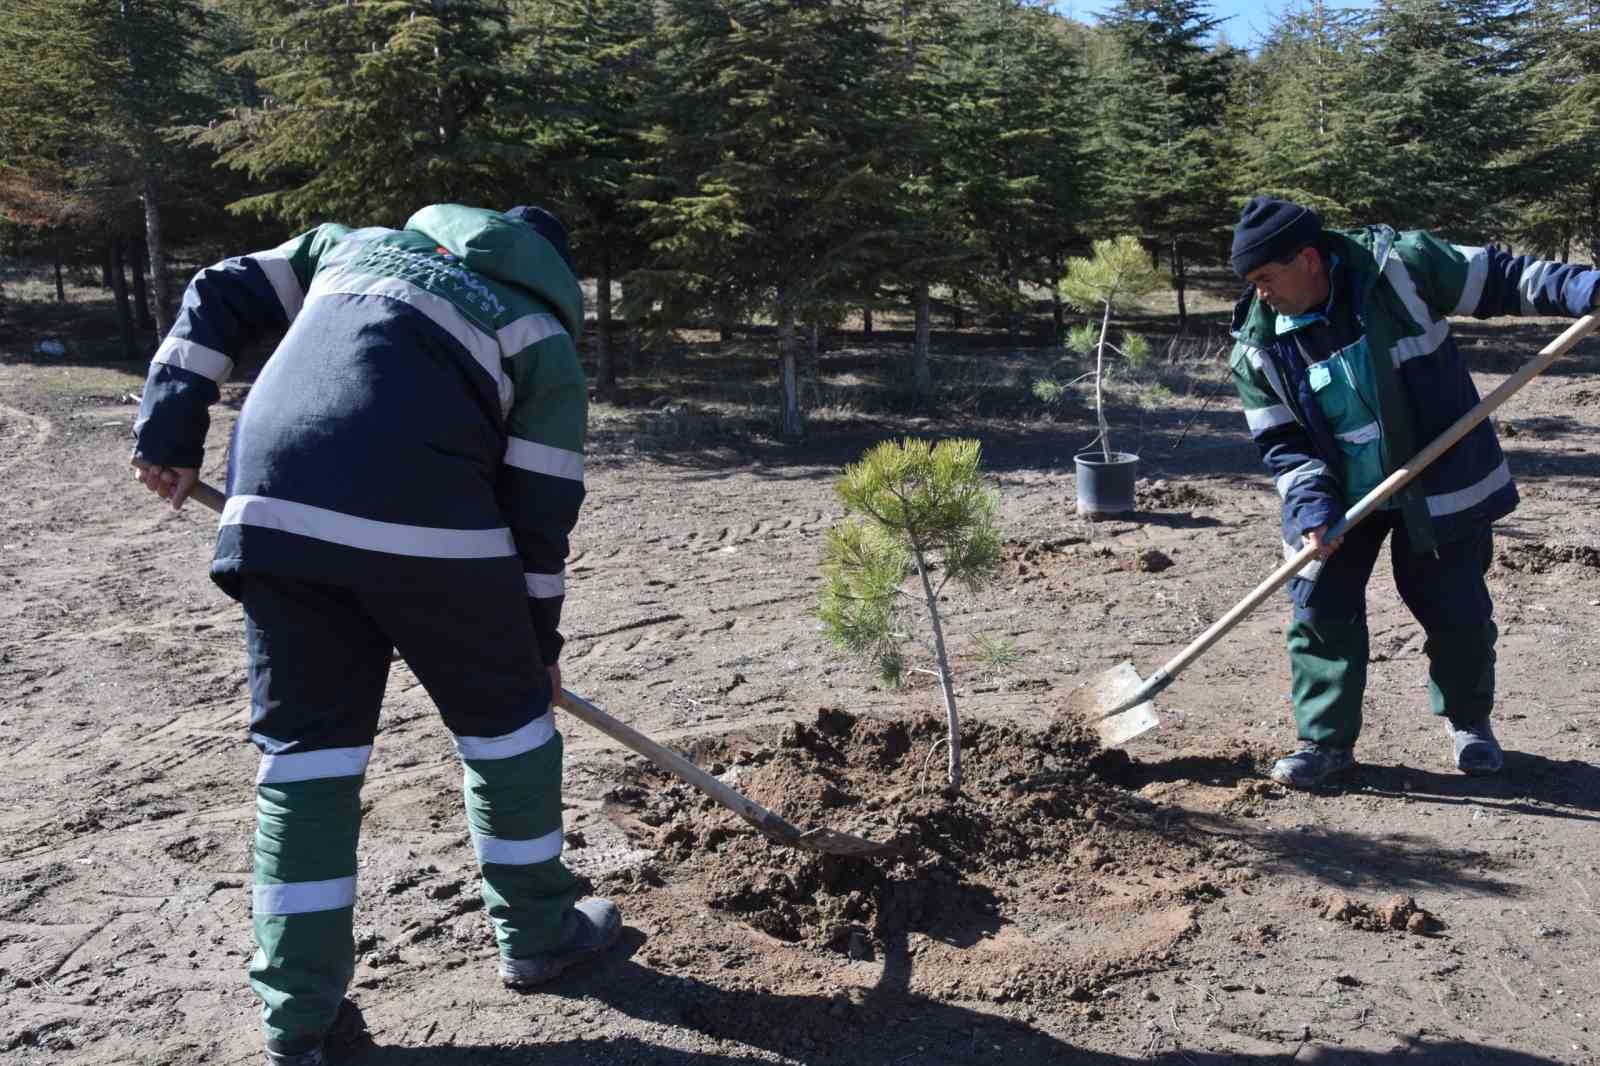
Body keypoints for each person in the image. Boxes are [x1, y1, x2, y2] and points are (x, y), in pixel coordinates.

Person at [129, 204, 621, 1065]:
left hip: (273, 516)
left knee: (306, 765)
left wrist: (172, 428)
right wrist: (535, 651)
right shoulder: (540, 339)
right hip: (436, 536)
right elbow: (540, 517)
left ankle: (300, 1024)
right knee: (510, 737)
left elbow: (219, 289)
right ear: (548, 268)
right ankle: (541, 933)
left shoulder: (350, 247)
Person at [1228, 196, 1600, 790]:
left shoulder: (1398, 267)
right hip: (1340, 494)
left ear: (1308, 259)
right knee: (1320, 608)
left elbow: (1502, 277)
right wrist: (1311, 507)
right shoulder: (1257, 345)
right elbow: (1283, 445)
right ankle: (1324, 745)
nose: (1260, 294)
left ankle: (1470, 724)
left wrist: (1586, 288)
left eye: (1267, 278)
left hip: (1439, 478)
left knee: (1455, 607)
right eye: (1251, 283)